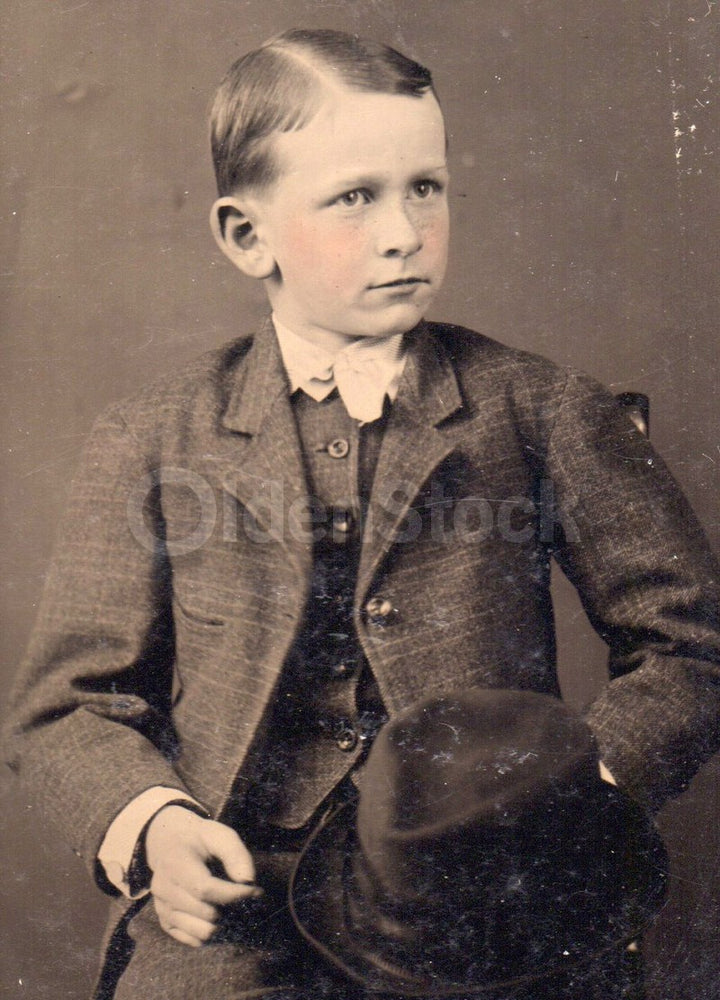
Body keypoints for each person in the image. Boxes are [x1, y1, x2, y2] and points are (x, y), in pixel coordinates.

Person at [4, 27, 720, 1000]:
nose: (403, 231)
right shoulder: (153, 437)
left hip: (489, 897)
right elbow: (65, 708)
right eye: (355, 197)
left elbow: (691, 641)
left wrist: (575, 793)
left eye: (426, 187)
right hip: (241, 898)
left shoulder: (540, 407)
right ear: (244, 234)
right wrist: (157, 825)